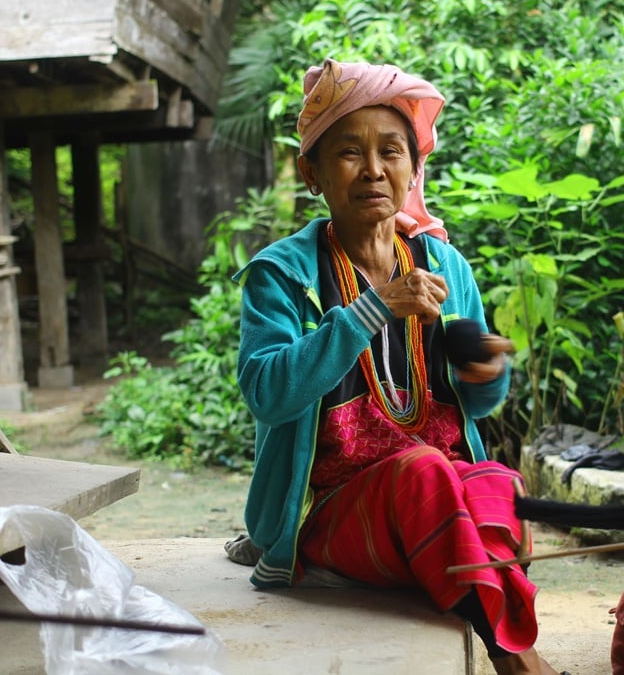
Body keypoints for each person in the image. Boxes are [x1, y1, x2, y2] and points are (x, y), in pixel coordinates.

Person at [226, 58, 562, 675]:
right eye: (350, 153)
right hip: (328, 511)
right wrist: (372, 309)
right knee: (424, 473)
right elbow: (268, 394)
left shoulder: (443, 264)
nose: (375, 170)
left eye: (392, 151)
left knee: (499, 487)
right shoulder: (283, 274)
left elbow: (481, 403)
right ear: (313, 173)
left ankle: (476, 599)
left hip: (439, 498)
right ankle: (517, 657)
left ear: (413, 167)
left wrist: (482, 368)